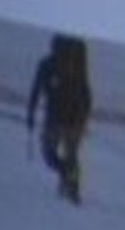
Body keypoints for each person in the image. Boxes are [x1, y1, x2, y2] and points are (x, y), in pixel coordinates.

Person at [26, 34, 92, 204]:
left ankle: (67, 180)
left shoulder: (47, 64)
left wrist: (31, 114)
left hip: (55, 117)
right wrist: (85, 118)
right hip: (75, 118)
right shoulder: (77, 65)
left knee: (49, 154)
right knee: (71, 155)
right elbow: (86, 93)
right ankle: (72, 187)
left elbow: (36, 90)